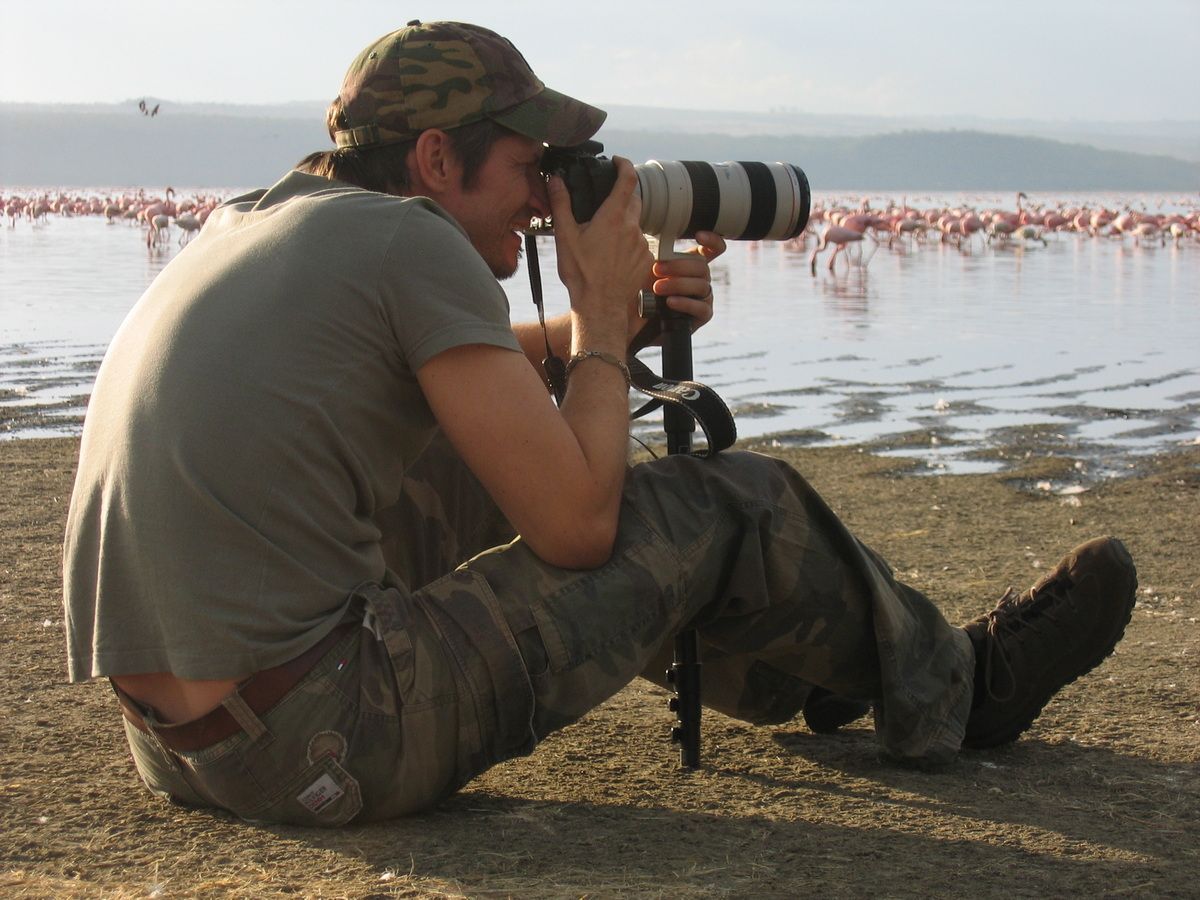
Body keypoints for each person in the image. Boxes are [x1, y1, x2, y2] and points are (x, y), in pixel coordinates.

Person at [62, 20, 1138, 826]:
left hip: (190, 749)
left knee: (507, 448)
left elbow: (470, 395)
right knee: (721, 501)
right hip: (327, 738)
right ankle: (963, 681)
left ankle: (822, 668)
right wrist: (609, 328)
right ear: (438, 160)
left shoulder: (261, 222)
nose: (545, 200)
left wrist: (602, 325)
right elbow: (578, 527)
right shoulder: (410, 245)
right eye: (530, 167)